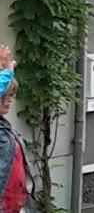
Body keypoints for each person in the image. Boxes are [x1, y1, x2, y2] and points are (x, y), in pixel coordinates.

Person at [0, 46, 30, 213]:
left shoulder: (5, 128)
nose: (8, 101)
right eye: (3, 97)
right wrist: (8, 72)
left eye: (10, 96)